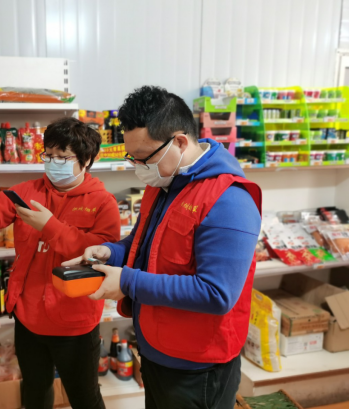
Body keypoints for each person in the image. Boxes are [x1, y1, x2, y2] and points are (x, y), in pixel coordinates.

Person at [65, 86, 262, 409]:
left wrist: (127, 281)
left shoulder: (229, 200)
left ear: (180, 142)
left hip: (198, 368)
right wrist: (110, 252)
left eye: (145, 157)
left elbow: (217, 293)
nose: (139, 166)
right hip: (156, 351)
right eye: (133, 157)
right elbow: (142, 244)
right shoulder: (164, 183)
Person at [0, 117, 120, 409]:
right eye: (49, 155)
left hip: (75, 324)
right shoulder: (28, 193)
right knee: (34, 391)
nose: (53, 163)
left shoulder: (103, 203)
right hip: (28, 318)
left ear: (86, 161)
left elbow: (102, 253)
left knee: (85, 396)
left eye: (63, 157)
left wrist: (51, 227)